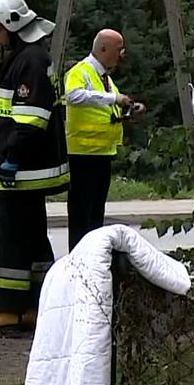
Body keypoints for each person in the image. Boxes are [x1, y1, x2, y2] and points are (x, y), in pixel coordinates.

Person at [0, 0, 69, 329]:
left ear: (13, 25)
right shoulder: (32, 57)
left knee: (5, 240)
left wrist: (10, 159)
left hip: (16, 172)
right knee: (32, 239)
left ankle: (6, 309)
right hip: (25, 172)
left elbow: (30, 119)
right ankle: (34, 307)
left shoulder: (29, 61)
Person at [63, 30, 145, 248]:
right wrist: (114, 98)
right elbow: (73, 95)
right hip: (82, 155)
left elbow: (107, 111)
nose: (122, 55)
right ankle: (79, 265)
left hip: (101, 154)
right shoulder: (81, 71)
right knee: (82, 218)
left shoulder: (105, 78)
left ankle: (93, 262)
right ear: (103, 49)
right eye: (119, 50)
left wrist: (129, 109)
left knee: (95, 218)